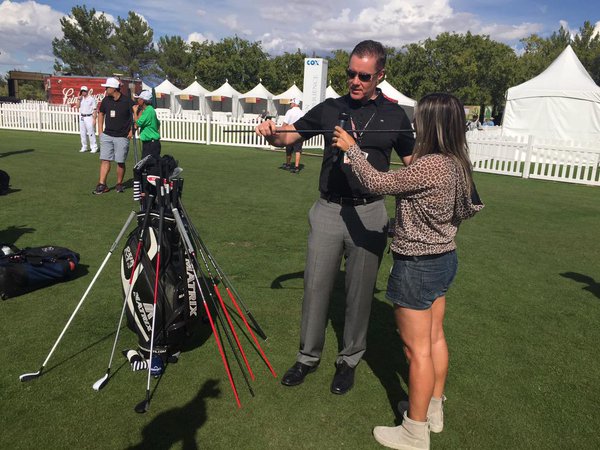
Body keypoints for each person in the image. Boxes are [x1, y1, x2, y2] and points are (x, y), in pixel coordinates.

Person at [256, 40, 415, 395]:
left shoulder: (395, 116)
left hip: (370, 211)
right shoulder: (330, 108)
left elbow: (412, 167)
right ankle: (306, 357)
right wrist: (271, 134)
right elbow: (289, 137)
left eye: (364, 75)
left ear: (380, 76)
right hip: (328, 209)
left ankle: (349, 361)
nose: (355, 81)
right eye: (350, 74)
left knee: (359, 295)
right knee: (315, 287)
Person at [333, 92, 484, 449]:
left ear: (431, 123)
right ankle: (432, 411)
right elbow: (458, 209)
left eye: (419, 118)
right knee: (434, 340)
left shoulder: (431, 164)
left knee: (417, 351)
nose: (414, 124)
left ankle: (414, 431)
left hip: (418, 266)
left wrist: (352, 149)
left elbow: (378, 183)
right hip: (444, 258)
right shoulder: (457, 162)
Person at [94, 77, 134, 195]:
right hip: (107, 135)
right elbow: (101, 113)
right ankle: (102, 184)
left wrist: (133, 130)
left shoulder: (127, 101)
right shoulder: (106, 100)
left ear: (114, 88)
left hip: (122, 136)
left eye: (107, 87)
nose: (105, 89)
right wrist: (100, 130)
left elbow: (137, 113)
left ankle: (119, 183)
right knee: (105, 160)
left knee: (120, 161)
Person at [133, 90, 161, 159]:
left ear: (143, 101)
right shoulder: (150, 110)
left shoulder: (149, 110)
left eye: (139, 99)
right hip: (151, 143)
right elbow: (158, 124)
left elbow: (138, 123)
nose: (137, 100)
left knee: (148, 165)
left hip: (151, 143)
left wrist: (135, 112)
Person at [280, 98, 305, 173]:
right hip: (299, 133)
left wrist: (281, 130)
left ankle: (288, 164)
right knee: (298, 150)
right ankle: (296, 167)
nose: (290, 104)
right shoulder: (302, 113)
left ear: (294, 104)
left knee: (289, 149)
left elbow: (285, 123)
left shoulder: (289, 112)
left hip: (290, 133)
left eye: (291, 103)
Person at [76, 86, 98, 153]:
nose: (83, 92)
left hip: (89, 117)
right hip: (82, 117)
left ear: (87, 91)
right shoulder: (81, 98)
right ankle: (84, 146)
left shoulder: (91, 99)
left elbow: (95, 109)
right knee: (82, 133)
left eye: (84, 91)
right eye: (82, 91)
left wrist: (94, 119)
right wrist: (79, 100)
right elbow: (77, 107)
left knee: (91, 132)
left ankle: (94, 147)